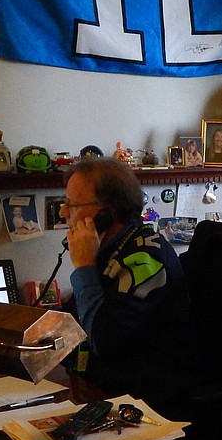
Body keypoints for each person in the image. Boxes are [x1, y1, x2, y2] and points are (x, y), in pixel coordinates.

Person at [62, 157, 202, 413]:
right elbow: (74, 323)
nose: (63, 212)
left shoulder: (148, 256)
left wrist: (83, 267)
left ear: (107, 212)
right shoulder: (109, 250)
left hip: (147, 401)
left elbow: (104, 342)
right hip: (107, 386)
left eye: (71, 204)